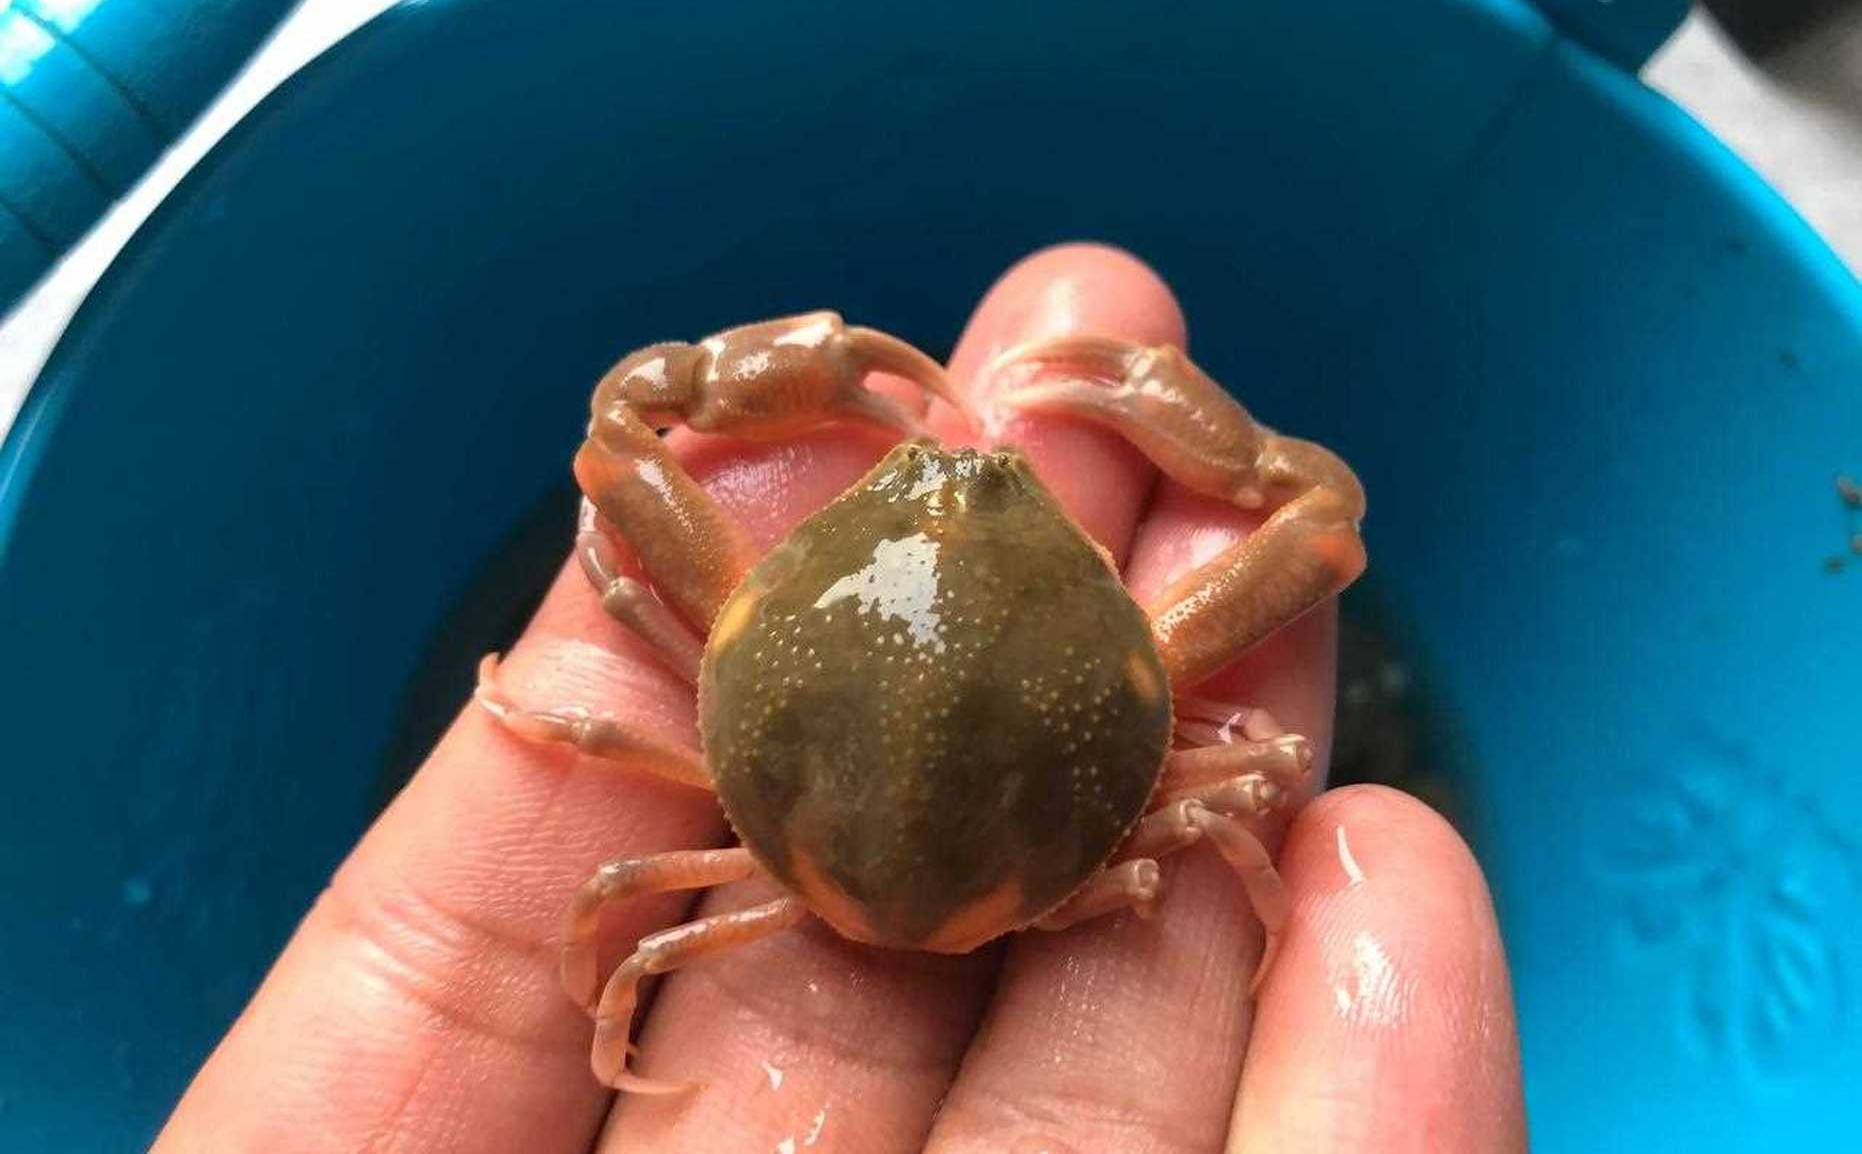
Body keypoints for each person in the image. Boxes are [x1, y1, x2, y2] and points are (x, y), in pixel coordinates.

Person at [154, 245, 1527, 1152]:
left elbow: (624, 437)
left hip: (761, 883)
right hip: (1063, 894)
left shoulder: (726, 597)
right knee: (1246, 780)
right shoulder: (1154, 664)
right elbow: (1315, 522)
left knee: (596, 815)